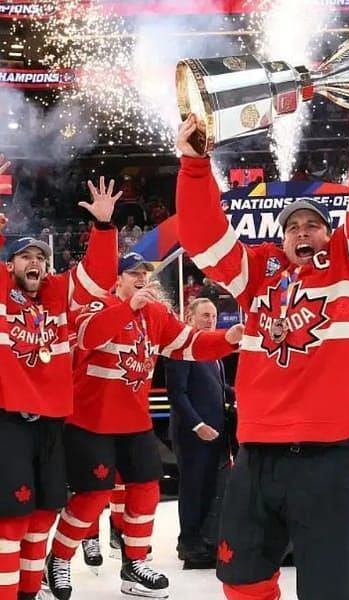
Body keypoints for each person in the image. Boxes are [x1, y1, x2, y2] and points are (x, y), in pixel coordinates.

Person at [175, 76, 349, 600]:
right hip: (257, 454)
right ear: (280, 239)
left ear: (330, 233)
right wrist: (193, 166)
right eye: (292, 226)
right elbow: (205, 240)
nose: (302, 231)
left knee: (329, 591)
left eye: (313, 225)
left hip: (331, 458)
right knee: (242, 578)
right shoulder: (259, 274)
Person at [46, 253, 242, 599]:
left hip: (134, 423)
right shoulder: (96, 305)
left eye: (144, 272)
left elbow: (188, 344)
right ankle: (58, 560)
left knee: (146, 491)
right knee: (92, 498)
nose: (140, 278)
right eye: (132, 273)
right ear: (117, 279)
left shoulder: (156, 314)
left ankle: (134, 564)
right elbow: (87, 337)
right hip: (92, 421)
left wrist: (229, 338)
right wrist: (127, 307)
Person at [0, 180, 119, 600]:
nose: (34, 263)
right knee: (10, 517)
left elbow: (99, 277)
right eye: (24, 256)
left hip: (51, 423)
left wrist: (103, 227)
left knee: (45, 510)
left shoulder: (56, 298)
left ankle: (30, 591)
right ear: (10, 265)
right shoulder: (1, 295)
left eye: (40, 257)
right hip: (8, 421)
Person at [165, 298, 236, 568]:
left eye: (214, 316)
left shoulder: (213, 350)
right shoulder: (181, 348)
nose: (211, 321)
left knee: (209, 488)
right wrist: (198, 426)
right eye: (205, 315)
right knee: (193, 488)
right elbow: (177, 394)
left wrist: (245, 396)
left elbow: (219, 388)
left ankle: (204, 539)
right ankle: (189, 543)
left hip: (216, 431)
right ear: (190, 317)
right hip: (192, 434)